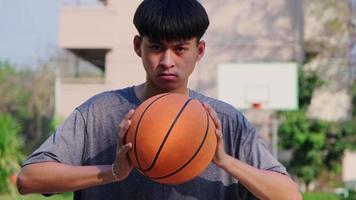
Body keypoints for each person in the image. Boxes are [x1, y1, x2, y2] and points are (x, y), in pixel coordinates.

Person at [17, 0, 302, 199]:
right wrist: (111, 172)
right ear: (138, 47)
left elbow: (289, 195)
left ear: (199, 50)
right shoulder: (99, 112)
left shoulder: (224, 121)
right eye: (156, 48)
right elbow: (28, 179)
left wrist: (225, 161)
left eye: (180, 49)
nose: (167, 61)